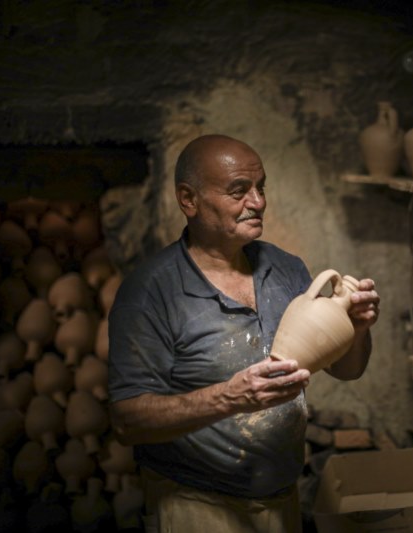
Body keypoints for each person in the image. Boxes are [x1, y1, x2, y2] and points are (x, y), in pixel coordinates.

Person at [107, 134, 380, 533]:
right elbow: (127, 422)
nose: (258, 202)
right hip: (197, 505)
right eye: (239, 191)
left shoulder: (286, 269)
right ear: (189, 200)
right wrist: (229, 398)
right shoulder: (151, 291)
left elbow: (346, 370)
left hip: (283, 498)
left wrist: (357, 329)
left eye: (261, 187)